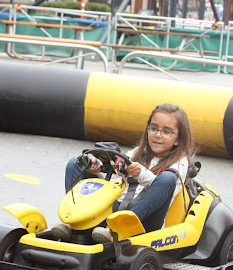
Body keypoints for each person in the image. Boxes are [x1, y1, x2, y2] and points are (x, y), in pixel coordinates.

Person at [53, 103, 195, 243]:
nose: (158, 135)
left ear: (178, 139)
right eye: (153, 128)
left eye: (166, 132)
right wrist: (97, 167)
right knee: (76, 164)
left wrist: (140, 173)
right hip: (118, 209)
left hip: (146, 220)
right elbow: (115, 172)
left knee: (167, 178)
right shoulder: (138, 153)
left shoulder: (181, 164)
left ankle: (119, 228)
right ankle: (77, 222)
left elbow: (162, 189)